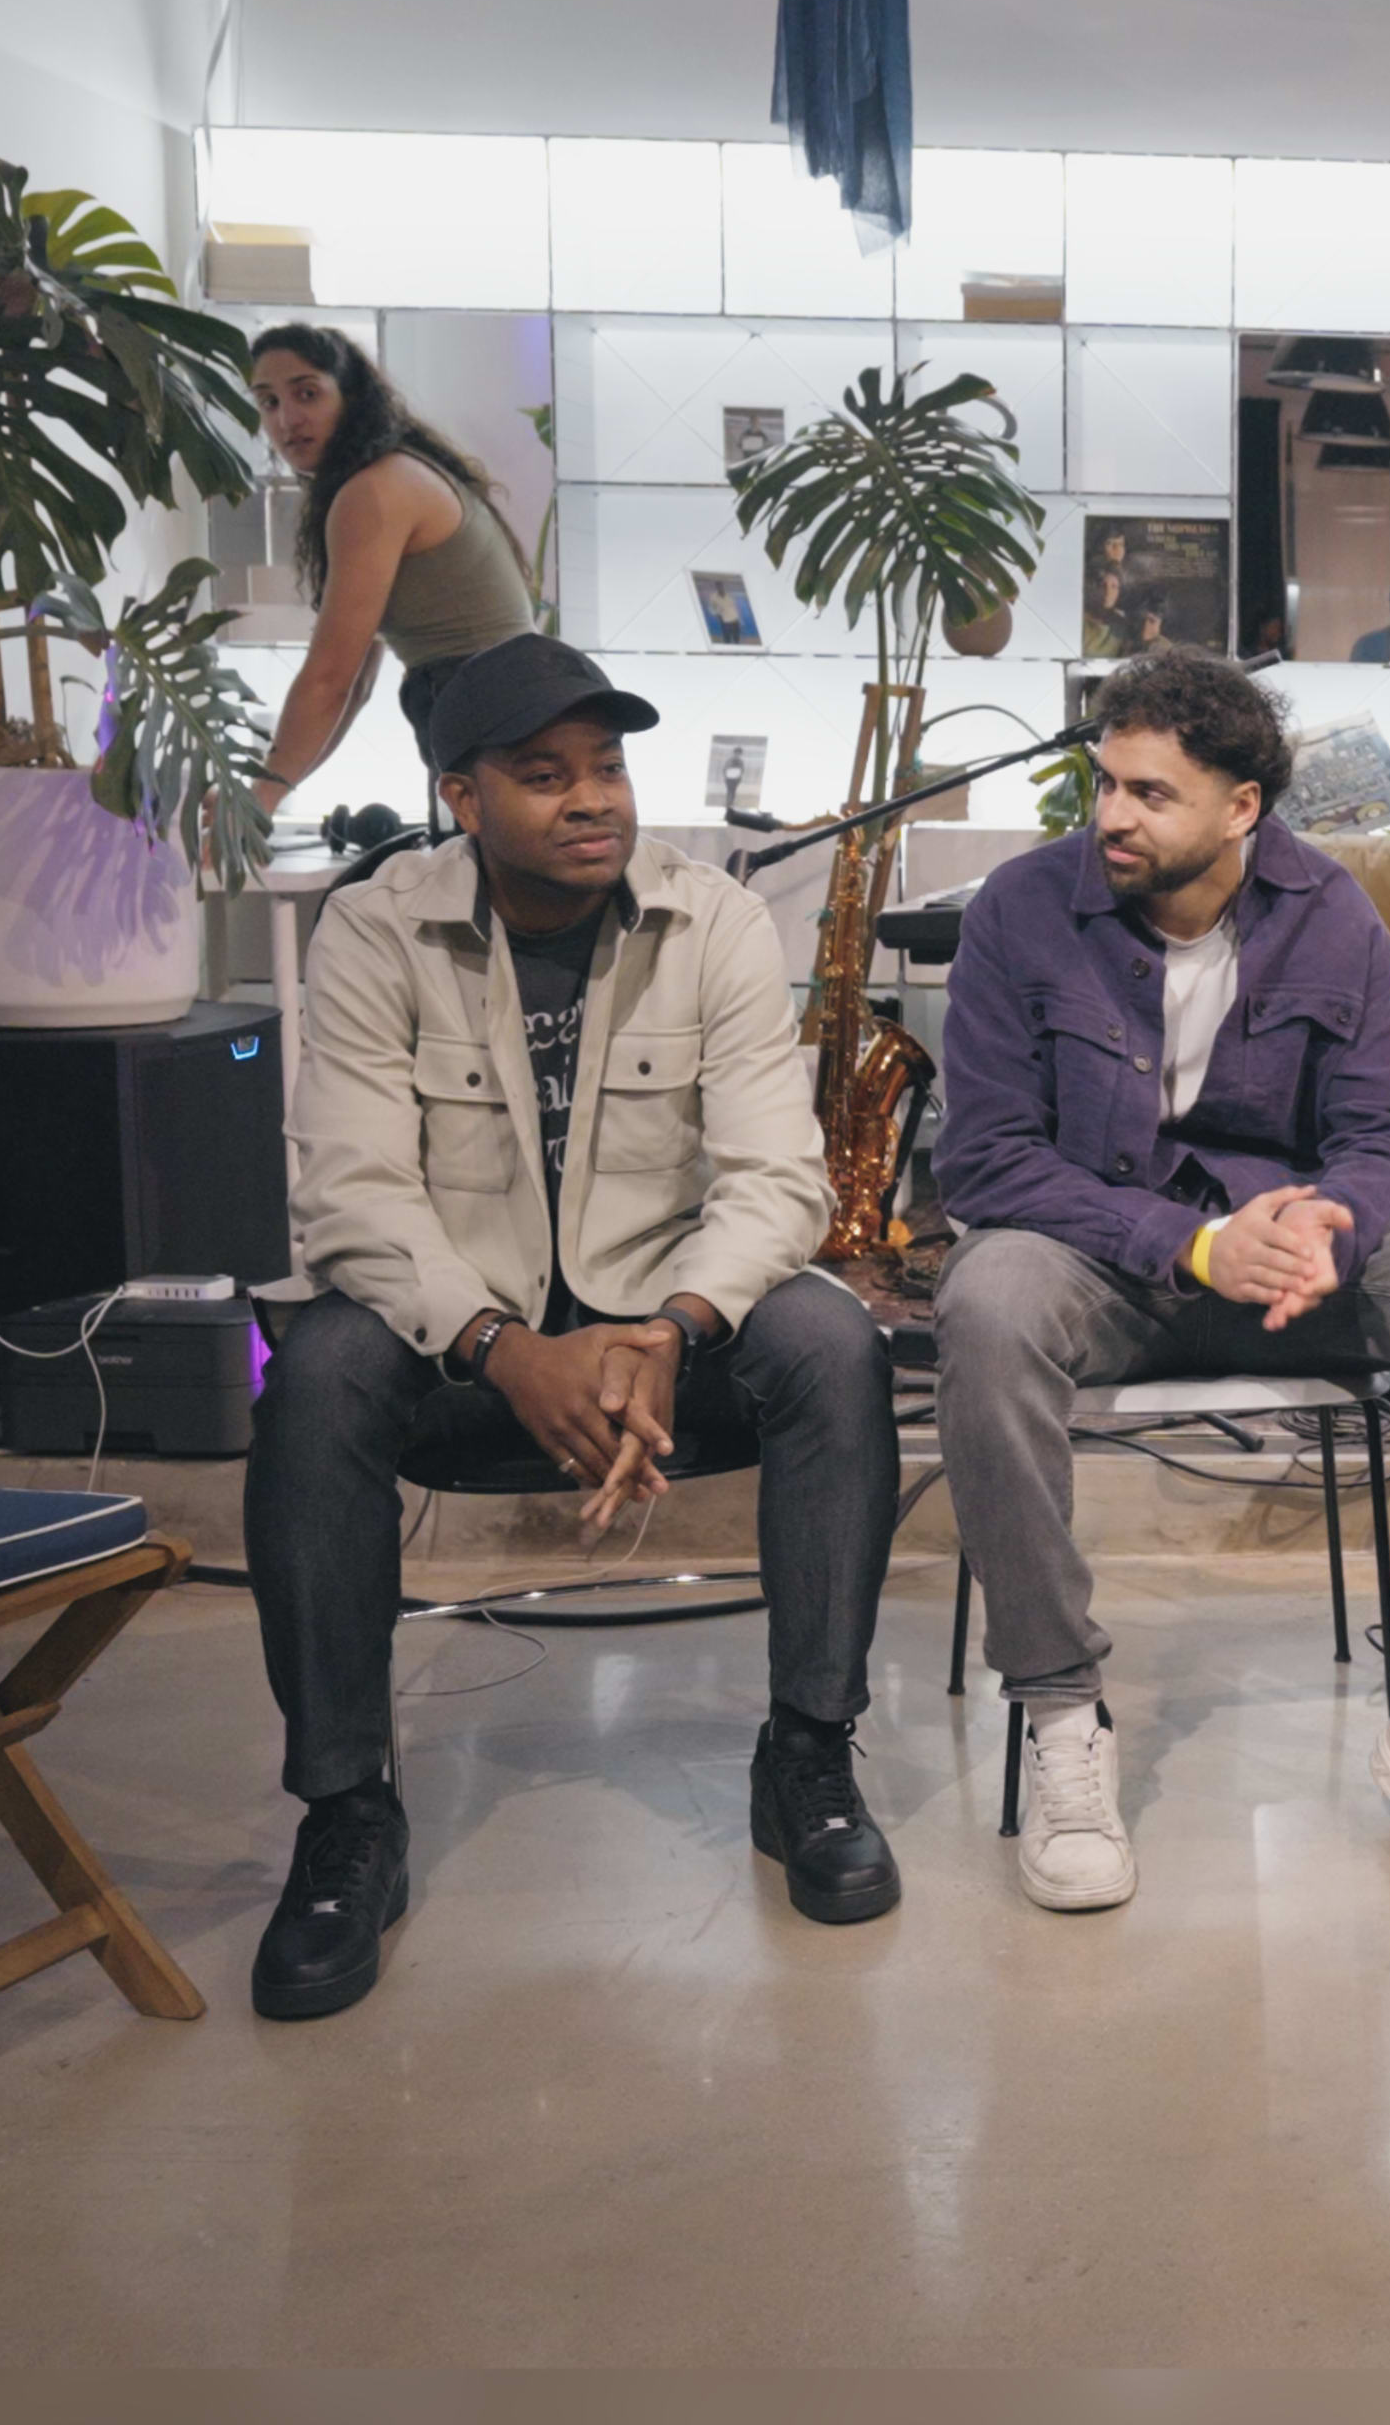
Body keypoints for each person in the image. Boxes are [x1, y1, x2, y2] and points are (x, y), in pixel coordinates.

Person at [242, 636, 904, 2021]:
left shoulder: (711, 917)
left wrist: (674, 1326)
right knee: (319, 1372)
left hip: (663, 1333)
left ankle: (808, 1753)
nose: (593, 798)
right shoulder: (374, 927)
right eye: (545, 775)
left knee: (833, 1344)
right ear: (462, 797)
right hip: (458, 1344)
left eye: (606, 766)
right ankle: (347, 1812)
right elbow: (351, 1193)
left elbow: (778, 1179)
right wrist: (502, 1347)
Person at [931, 651, 1390, 1910]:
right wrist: (1191, 1242)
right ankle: (1061, 1713)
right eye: (1106, 783)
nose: (1112, 814)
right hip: (1102, 1262)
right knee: (986, 1299)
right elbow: (986, 1159)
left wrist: (1330, 1221)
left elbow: (1387, 1136)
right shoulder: (1021, 907)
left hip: (1290, 1269)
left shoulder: (1331, 912)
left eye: (1151, 793)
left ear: (1240, 808)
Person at [244, 324, 542, 805]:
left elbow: (331, 679)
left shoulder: (375, 490)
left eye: (307, 393)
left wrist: (258, 802)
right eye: (269, 402)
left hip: (493, 719)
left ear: (350, 396)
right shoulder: (391, 473)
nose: (287, 419)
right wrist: (268, 793)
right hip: (506, 711)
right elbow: (354, 683)